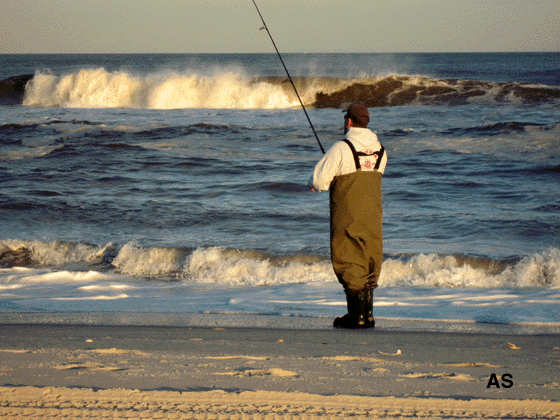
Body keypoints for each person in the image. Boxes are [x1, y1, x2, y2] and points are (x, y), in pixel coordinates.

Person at [309, 104, 387, 329]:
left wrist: (319, 184)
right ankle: (368, 315)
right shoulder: (381, 149)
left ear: (349, 121)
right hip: (373, 212)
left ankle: (356, 316)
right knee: (370, 255)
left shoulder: (342, 148)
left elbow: (318, 181)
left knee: (348, 255)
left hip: (347, 211)